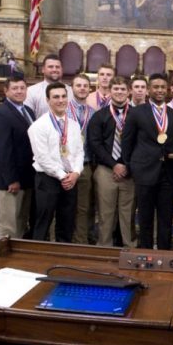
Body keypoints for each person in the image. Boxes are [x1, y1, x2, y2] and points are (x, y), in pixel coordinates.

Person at [121, 73, 173, 249]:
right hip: (144, 171)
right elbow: (127, 141)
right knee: (145, 216)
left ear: (168, 89)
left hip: (168, 172)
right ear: (148, 90)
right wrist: (130, 166)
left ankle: (164, 250)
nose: (160, 90)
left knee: (166, 216)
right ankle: (145, 251)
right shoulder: (136, 112)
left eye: (163, 87)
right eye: (156, 87)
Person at [28, 82, 84, 243]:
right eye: (56, 97)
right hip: (48, 180)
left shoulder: (73, 124)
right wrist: (62, 176)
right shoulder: (38, 126)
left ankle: (63, 256)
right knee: (43, 223)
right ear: (48, 100)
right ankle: (37, 257)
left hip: (71, 180)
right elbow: (42, 158)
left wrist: (75, 173)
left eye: (63, 96)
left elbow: (79, 152)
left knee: (66, 223)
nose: (61, 100)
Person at [88, 76, 135, 247]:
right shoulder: (99, 116)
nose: (120, 92)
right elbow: (95, 144)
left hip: (129, 172)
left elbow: (141, 144)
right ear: (110, 91)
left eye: (123, 89)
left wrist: (127, 167)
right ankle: (104, 246)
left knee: (128, 213)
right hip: (106, 170)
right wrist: (114, 165)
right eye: (116, 89)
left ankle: (130, 247)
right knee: (105, 213)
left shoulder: (137, 115)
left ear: (128, 91)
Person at [0, 76, 36, 239]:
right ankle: (4, 258)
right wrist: (11, 179)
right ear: (6, 91)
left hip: (26, 176)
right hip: (9, 180)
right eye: (15, 88)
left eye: (22, 88)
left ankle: (19, 256)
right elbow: (2, 150)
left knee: (21, 220)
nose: (19, 91)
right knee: (8, 223)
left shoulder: (28, 111)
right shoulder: (0, 114)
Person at [67, 74, 94, 244]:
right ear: (72, 88)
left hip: (85, 165)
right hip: (65, 166)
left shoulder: (93, 113)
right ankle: (59, 242)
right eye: (79, 85)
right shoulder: (63, 109)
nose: (82, 88)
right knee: (62, 206)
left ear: (90, 89)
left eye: (85, 85)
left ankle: (80, 242)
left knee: (83, 207)